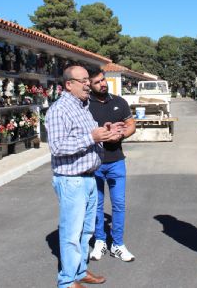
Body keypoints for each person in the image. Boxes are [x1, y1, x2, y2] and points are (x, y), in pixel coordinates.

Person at [46, 65, 119, 288]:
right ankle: (67, 281)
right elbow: (57, 147)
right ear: (69, 85)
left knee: (86, 230)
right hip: (71, 180)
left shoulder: (82, 107)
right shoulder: (60, 110)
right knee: (71, 233)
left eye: (89, 80)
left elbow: (89, 134)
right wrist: (91, 137)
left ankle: (79, 271)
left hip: (87, 178)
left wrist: (105, 131)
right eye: (84, 81)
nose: (89, 84)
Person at [86, 69, 137, 262]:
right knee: (96, 205)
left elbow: (131, 124)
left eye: (104, 80)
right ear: (90, 84)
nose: (103, 84)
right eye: (98, 82)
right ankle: (100, 241)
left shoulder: (119, 102)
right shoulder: (85, 105)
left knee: (119, 204)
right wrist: (102, 133)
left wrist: (121, 134)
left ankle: (118, 244)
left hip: (116, 161)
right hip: (94, 163)